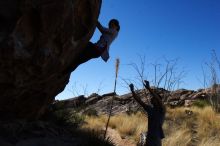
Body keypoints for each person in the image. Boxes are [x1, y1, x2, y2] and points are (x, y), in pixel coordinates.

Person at [129, 80, 166, 146]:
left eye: (154, 98)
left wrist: (148, 88)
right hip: (149, 136)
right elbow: (139, 101)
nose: (151, 99)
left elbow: (158, 99)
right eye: (152, 98)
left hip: (156, 138)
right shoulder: (150, 109)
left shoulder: (162, 110)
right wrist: (132, 91)